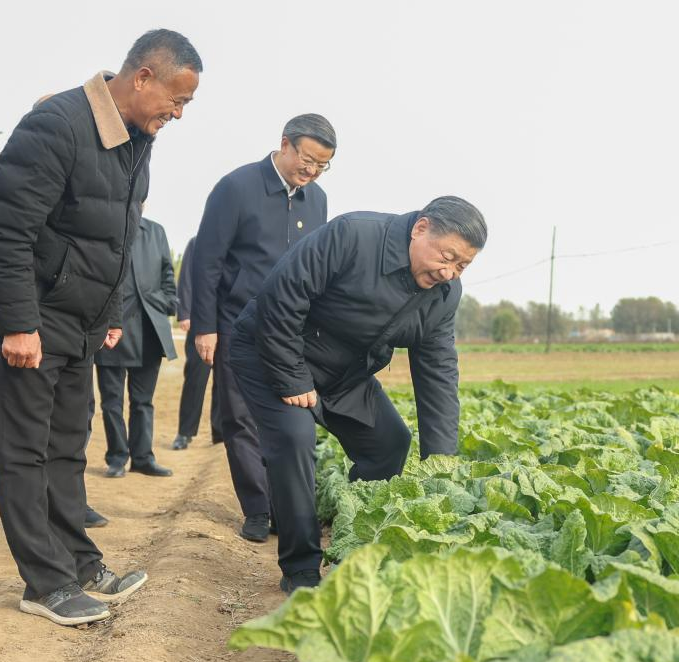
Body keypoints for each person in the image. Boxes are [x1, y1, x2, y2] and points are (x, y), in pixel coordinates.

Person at [0, 29, 202, 626]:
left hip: (82, 325)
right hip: (35, 320)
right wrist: (17, 323)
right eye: (176, 100)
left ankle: (81, 562)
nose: (178, 114)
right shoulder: (57, 124)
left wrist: (108, 317)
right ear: (143, 79)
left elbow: (119, 237)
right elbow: (6, 231)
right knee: (23, 453)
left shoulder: (138, 137)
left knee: (66, 448)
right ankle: (44, 583)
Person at [230, 196, 486, 593]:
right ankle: (300, 567)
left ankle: (357, 540)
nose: (449, 272)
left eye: (462, 266)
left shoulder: (443, 296)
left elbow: (437, 373)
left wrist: (442, 463)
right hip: (273, 350)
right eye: (447, 256)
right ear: (421, 228)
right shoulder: (354, 235)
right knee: (294, 439)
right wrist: (294, 378)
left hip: (346, 373)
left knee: (390, 443)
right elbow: (282, 296)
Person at [191, 114, 335, 543]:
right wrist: (205, 326)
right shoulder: (236, 187)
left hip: (292, 332)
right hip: (237, 324)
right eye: (307, 159)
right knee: (240, 419)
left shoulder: (318, 200)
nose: (311, 171)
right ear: (285, 144)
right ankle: (257, 509)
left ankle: (284, 506)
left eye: (322, 165)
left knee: (290, 419)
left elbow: (319, 268)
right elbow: (207, 261)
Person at [94, 213, 178, 478]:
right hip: (111, 329)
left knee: (143, 401)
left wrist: (165, 301)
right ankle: (117, 457)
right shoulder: (104, 226)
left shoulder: (156, 231)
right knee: (112, 402)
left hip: (148, 329)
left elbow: (167, 272)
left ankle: (142, 457)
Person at [172, 236, 222, 450]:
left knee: (225, 382)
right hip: (202, 322)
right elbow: (186, 278)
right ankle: (185, 433)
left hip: (229, 322)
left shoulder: (241, 240)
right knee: (195, 378)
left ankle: (220, 433)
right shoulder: (197, 241)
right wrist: (184, 313)